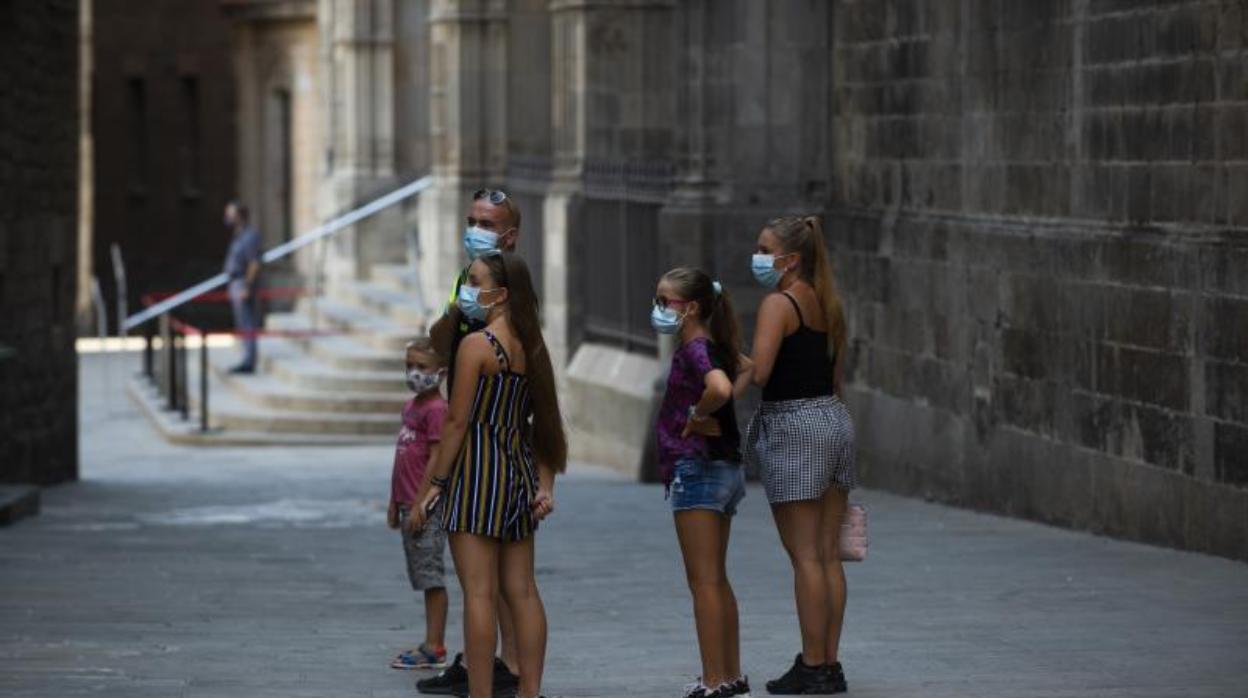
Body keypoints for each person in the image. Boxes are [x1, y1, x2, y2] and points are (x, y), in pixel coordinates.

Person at [413, 251, 564, 698]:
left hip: (477, 471)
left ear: (501, 293)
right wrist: (544, 481)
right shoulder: (531, 344)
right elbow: (545, 419)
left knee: (478, 594)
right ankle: (529, 691)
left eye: (475, 280)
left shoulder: (478, 345)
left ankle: (481, 693)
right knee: (523, 591)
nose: (468, 288)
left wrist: (435, 485)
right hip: (516, 469)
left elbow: (457, 421)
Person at [738, 215, 856, 695]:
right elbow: (836, 375)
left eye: (765, 249)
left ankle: (812, 664)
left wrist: (725, 356)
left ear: (789, 259)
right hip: (833, 418)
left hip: (793, 424)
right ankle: (829, 662)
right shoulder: (829, 302)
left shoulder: (778, 303)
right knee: (828, 556)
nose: (759, 256)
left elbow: (763, 371)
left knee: (805, 556)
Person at [420, 188, 525, 696]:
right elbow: (442, 340)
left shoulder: (510, 286)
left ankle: (501, 669)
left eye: (486, 222)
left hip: (488, 439)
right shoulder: (468, 282)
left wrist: (433, 481)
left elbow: (531, 380)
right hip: (478, 433)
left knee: (491, 581)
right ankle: (490, 664)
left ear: (510, 234)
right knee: (495, 577)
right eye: (470, 219)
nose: (475, 229)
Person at [651, 267, 753, 698]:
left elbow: (721, 387)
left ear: (691, 307)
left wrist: (697, 416)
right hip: (723, 470)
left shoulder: (695, 348)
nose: (657, 310)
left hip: (697, 470)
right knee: (717, 578)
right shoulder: (712, 346)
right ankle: (730, 677)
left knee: (704, 581)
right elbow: (745, 368)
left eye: (664, 301)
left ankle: (714, 682)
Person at [387, 339, 451, 672]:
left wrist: (420, 504)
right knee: (421, 574)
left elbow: (437, 458)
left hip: (425, 508)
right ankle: (430, 641)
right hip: (406, 503)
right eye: (408, 365)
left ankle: (434, 645)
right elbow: (402, 457)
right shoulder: (411, 407)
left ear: (440, 372)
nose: (413, 373)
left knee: (431, 575)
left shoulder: (437, 410)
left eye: (421, 367)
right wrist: (393, 501)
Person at [222, 200, 262, 373]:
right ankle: (245, 357)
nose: (228, 217)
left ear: (239, 215)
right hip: (234, 282)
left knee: (247, 323)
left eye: (231, 214)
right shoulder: (238, 235)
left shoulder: (251, 235)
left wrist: (247, 286)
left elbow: (254, 263)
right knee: (241, 323)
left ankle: (249, 361)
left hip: (242, 283)